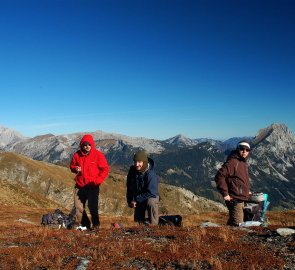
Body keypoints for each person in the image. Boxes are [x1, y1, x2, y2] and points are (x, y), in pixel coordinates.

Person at [70, 134, 109, 230]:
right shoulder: (77, 155)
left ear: (92, 145)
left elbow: (105, 169)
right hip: (79, 186)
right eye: (85, 145)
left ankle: (96, 225)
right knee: (78, 208)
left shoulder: (98, 155)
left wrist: (97, 181)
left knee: (92, 207)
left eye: (89, 145)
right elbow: (71, 166)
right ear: (82, 145)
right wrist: (75, 168)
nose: (87, 147)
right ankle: (85, 225)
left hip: (92, 186)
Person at [214, 141, 251, 226]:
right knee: (238, 225)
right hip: (235, 199)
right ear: (238, 149)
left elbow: (239, 180)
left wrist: (246, 191)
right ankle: (228, 237)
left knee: (233, 221)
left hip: (241, 197)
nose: (244, 151)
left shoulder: (242, 162)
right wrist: (225, 193)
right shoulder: (233, 162)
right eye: (242, 149)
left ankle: (226, 235)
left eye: (247, 149)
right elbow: (219, 176)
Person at [126, 150, 159, 225]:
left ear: (144, 162)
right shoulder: (132, 171)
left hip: (150, 196)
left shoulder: (151, 174)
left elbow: (152, 192)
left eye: (139, 162)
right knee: (138, 223)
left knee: (151, 202)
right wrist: (130, 201)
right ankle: (140, 227)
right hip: (139, 197)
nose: (136, 164)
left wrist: (137, 199)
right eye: (135, 162)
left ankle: (154, 225)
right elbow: (129, 187)